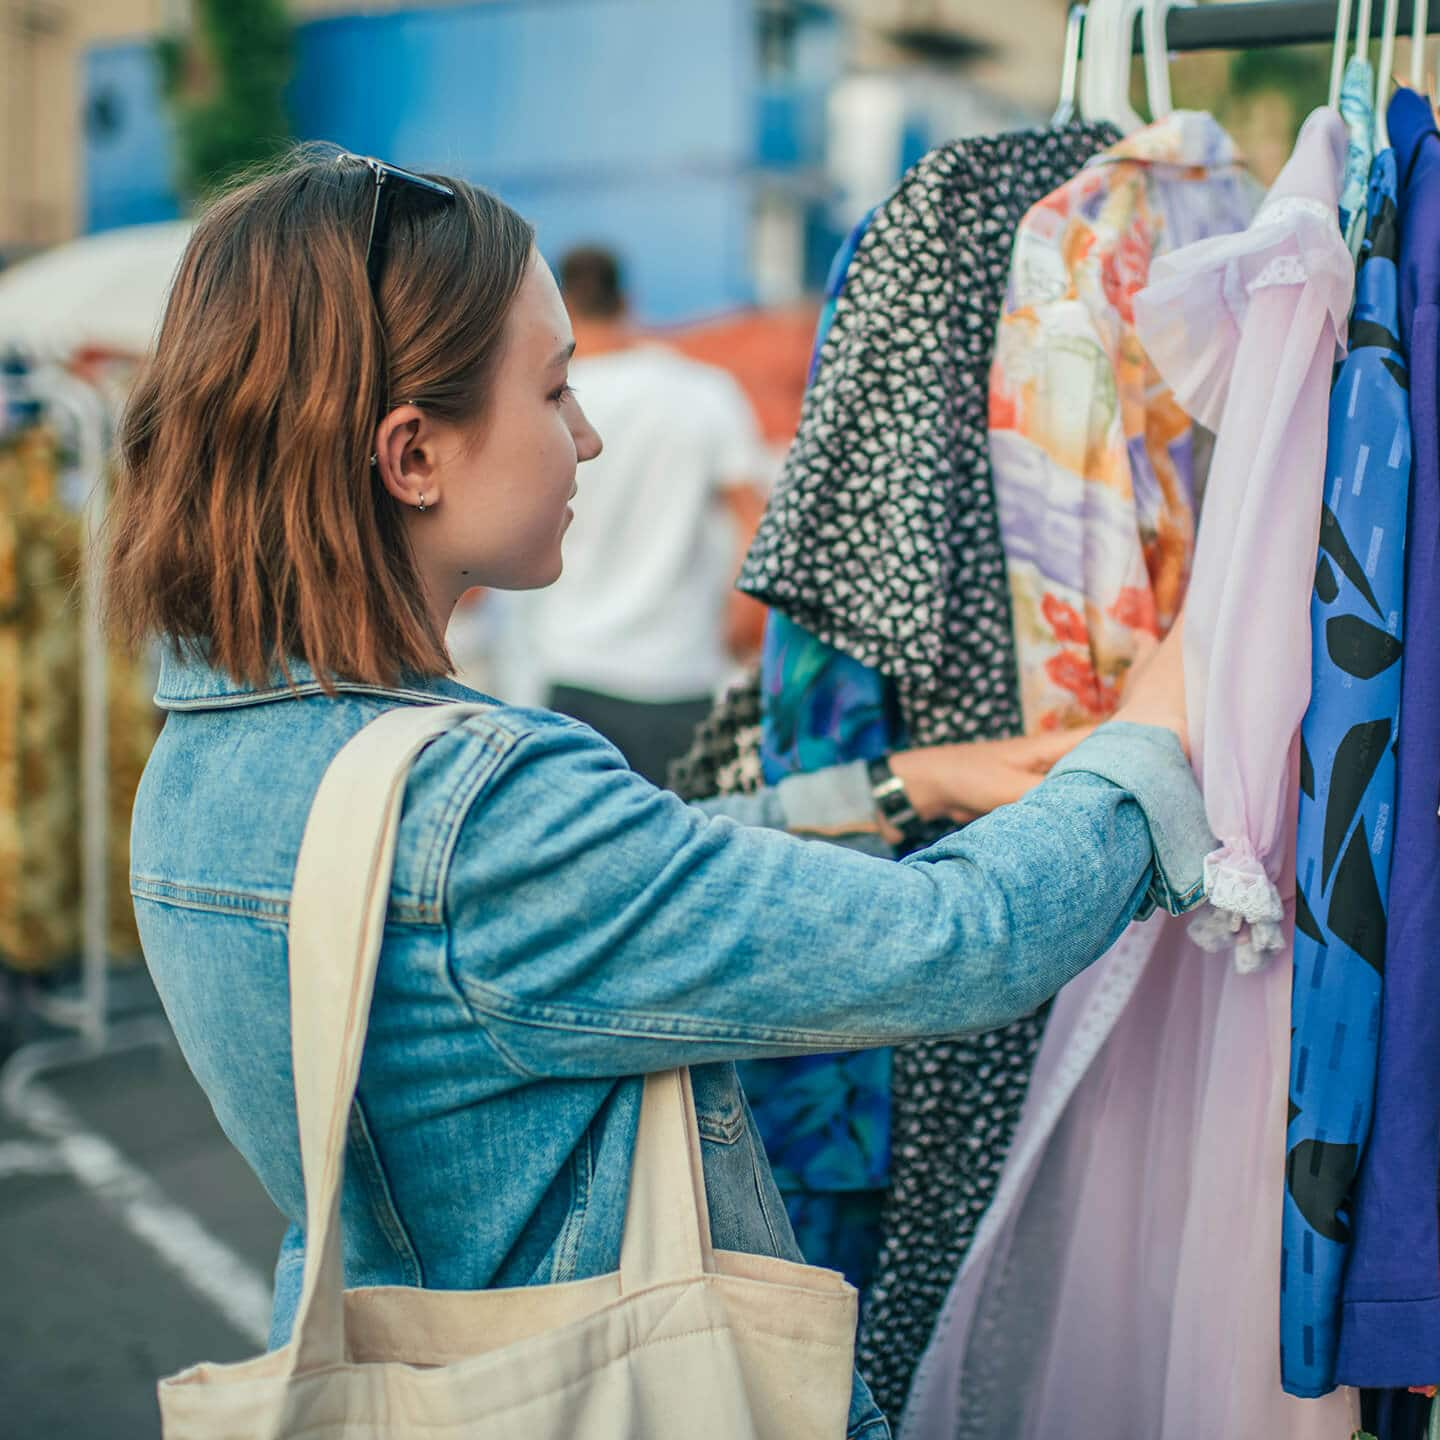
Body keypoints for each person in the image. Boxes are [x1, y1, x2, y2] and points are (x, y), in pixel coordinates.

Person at [107, 150, 1211, 1440]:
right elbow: (955, 948)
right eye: (555, 387)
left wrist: (890, 788)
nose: (586, 432)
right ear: (411, 455)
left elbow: (570, 914)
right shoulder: (482, 808)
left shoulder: (208, 757)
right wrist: (1152, 735)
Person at [521, 244, 769, 784]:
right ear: (628, 300)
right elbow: (756, 524)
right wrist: (743, 624)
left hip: (573, 670)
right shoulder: (702, 392)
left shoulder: (546, 404)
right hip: (679, 676)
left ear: (563, 306)